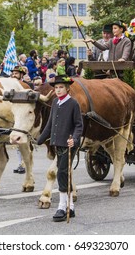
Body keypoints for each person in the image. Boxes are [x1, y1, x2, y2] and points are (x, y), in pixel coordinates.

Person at [37, 75, 83, 222]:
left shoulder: (73, 104)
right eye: (56, 88)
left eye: (61, 87)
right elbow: (50, 124)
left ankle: (62, 207)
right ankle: (71, 207)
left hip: (69, 144)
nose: (58, 90)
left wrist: (74, 139)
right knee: (64, 174)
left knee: (62, 174)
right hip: (58, 144)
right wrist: (39, 139)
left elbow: (78, 125)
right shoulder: (56, 102)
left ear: (67, 89)